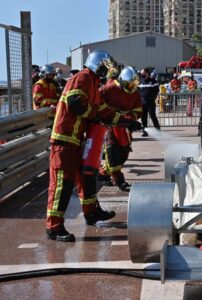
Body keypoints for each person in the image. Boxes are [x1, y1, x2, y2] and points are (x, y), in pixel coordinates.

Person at [46, 50, 142, 242]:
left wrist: (125, 122)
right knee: (62, 186)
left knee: (87, 177)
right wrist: (96, 116)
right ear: (99, 65)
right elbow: (76, 104)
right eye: (106, 68)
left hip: (78, 139)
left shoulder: (93, 82)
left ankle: (91, 212)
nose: (108, 73)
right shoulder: (82, 78)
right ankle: (54, 227)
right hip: (64, 140)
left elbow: (103, 110)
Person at [98, 66, 143, 190]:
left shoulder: (135, 92)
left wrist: (131, 119)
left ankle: (102, 174)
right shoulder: (109, 88)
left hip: (124, 127)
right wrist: (107, 114)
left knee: (124, 152)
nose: (130, 88)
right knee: (112, 151)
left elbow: (138, 110)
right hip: (109, 124)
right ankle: (118, 179)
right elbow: (96, 101)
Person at [139, 68, 161, 136]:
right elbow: (137, 91)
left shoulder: (153, 81)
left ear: (147, 73)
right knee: (143, 118)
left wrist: (152, 98)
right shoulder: (140, 82)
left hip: (150, 103)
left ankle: (158, 130)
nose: (142, 75)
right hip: (142, 103)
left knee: (153, 116)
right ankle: (145, 131)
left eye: (144, 74)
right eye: (141, 74)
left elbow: (156, 90)